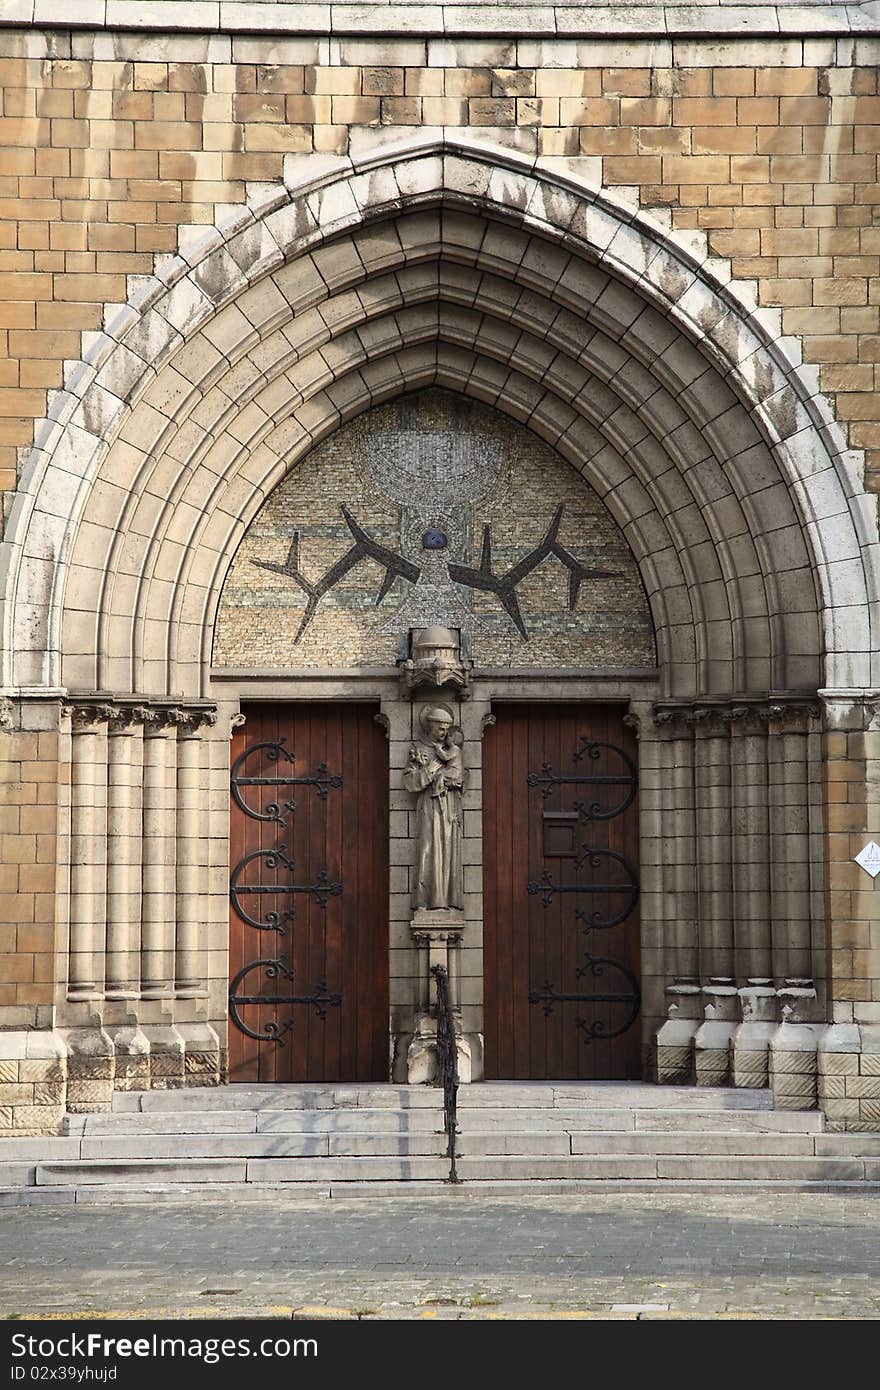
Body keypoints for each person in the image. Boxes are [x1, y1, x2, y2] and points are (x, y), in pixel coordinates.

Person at [403, 705, 466, 911]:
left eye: (448, 729)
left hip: (449, 806)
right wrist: (430, 770)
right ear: (430, 726)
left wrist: (457, 781)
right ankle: (427, 901)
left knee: (448, 852)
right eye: (441, 729)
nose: (445, 733)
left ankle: (449, 900)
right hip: (430, 807)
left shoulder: (452, 750)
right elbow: (410, 783)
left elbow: (463, 776)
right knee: (429, 851)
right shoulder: (418, 750)